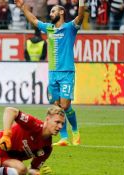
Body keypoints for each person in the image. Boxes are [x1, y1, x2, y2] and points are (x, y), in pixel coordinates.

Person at [15, 0, 84, 146]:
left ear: (61, 12)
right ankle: (64, 137)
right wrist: (23, 7)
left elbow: (80, 16)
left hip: (66, 72)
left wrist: (82, 3)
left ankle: (76, 131)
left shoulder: (70, 28)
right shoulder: (49, 28)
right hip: (52, 73)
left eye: (53, 11)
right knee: (57, 107)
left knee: (65, 106)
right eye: (51, 11)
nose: (51, 13)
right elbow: (34, 20)